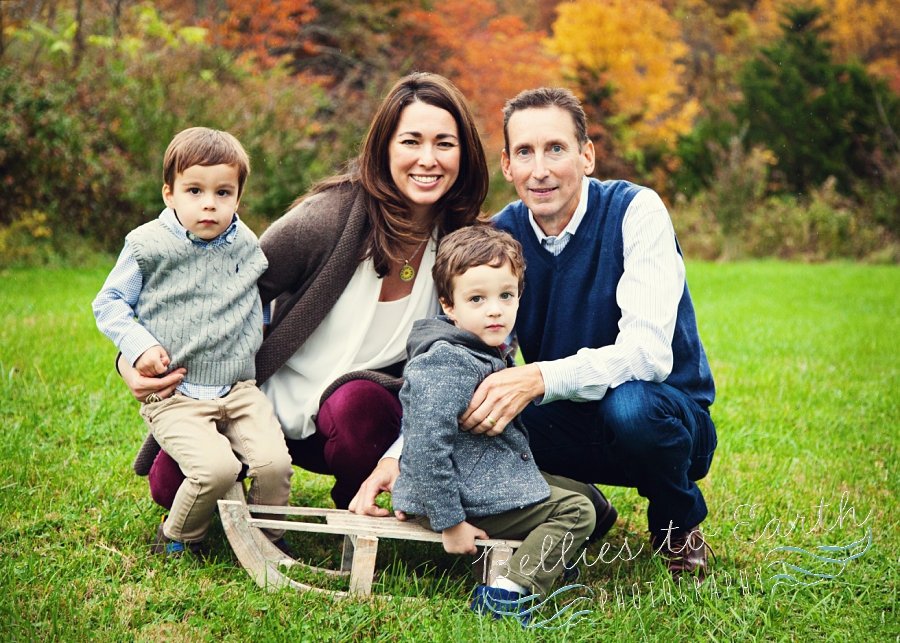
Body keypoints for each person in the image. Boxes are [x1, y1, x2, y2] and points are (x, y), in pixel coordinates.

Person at [354, 87, 718, 580]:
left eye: (556, 149)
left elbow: (648, 355)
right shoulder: (500, 238)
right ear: (507, 165)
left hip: (665, 417)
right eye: (525, 152)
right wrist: (401, 455)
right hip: (565, 414)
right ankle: (577, 506)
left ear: (586, 155)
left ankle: (677, 525)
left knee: (631, 407)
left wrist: (538, 378)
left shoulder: (635, 211)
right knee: (478, 408)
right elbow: (449, 365)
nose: (540, 169)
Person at [118, 73, 489, 513]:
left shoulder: (470, 246)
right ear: (385, 146)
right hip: (260, 405)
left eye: (444, 144)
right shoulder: (329, 218)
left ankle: (356, 497)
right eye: (411, 141)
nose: (427, 159)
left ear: (464, 154)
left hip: (361, 422)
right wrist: (130, 357)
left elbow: (485, 345)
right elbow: (216, 290)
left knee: (358, 403)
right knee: (169, 488)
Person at [93, 127, 294, 558]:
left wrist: (252, 334)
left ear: (238, 197)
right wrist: (139, 347)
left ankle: (268, 540)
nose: (209, 203)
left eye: (223, 192)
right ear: (170, 194)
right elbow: (109, 302)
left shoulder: (247, 245)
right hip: (176, 393)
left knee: (273, 465)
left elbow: (252, 299)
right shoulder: (148, 245)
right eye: (194, 190)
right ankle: (179, 536)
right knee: (216, 470)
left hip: (238, 390)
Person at [392, 226, 604, 621]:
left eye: (506, 296)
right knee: (577, 511)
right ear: (448, 305)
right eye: (477, 299)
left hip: (477, 478)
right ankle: (506, 593)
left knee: (590, 497)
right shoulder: (446, 360)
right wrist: (450, 522)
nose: (495, 309)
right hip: (454, 497)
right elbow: (423, 445)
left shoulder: (484, 349)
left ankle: (554, 555)